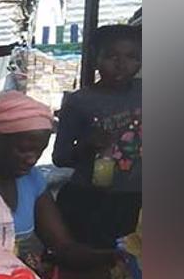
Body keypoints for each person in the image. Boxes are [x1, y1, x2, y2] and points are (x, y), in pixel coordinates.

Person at [0, 91, 113, 279]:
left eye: (39, 151)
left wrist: (116, 257)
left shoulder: (32, 179)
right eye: (23, 150)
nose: (32, 159)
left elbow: (62, 246)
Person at [52, 24, 142, 252]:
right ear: (95, 58)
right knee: (95, 260)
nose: (121, 64)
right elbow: (60, 158)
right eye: (112, 56)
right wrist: (87, 145)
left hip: (137, 199)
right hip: (93, 200)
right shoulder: (79, 102)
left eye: (132, 57)